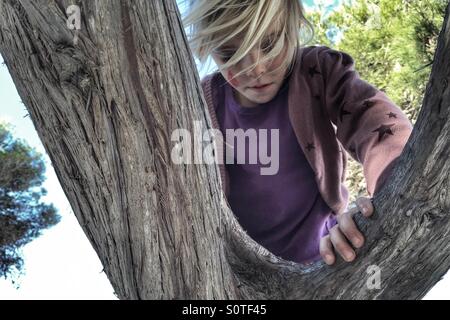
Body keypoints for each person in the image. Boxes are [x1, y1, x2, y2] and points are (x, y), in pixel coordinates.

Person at [182, 0, 413, 265]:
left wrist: (395, 181)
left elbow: (371, 119)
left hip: (326, 254)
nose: (255, 69)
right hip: (239, 276)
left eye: (269, 44)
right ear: (209, 49)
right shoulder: (198, 104)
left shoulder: (316, 71)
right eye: (229, 53)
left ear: (294, 23)